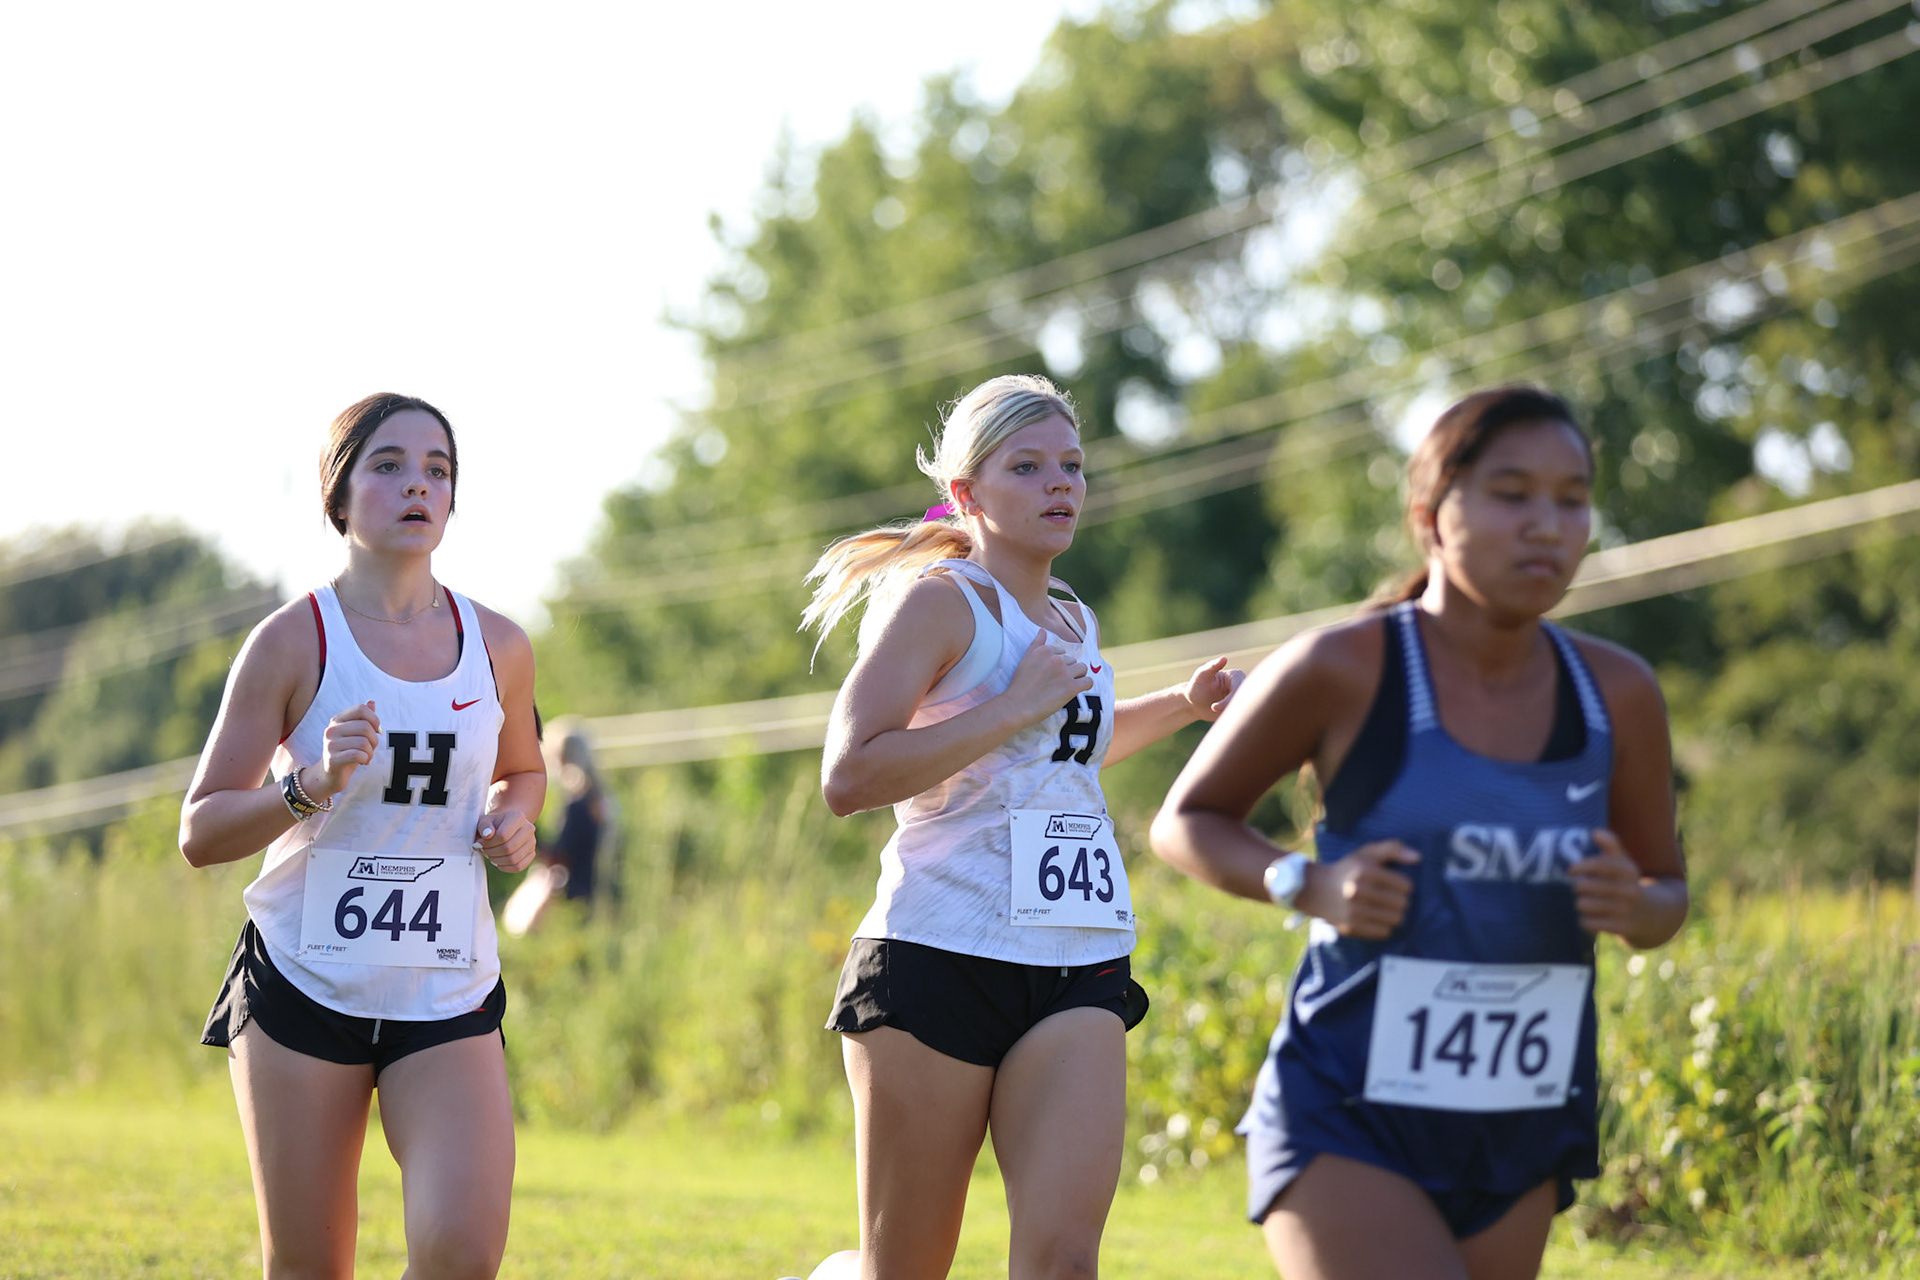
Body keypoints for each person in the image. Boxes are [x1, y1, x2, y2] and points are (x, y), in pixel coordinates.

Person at [1149, 385, 1688, 1280]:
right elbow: (1186, 822)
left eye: (1572, 497)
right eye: (1513, 494)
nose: (1549, 525)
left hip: (1522, 1114)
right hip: (1346, 1108)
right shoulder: (1343, 668)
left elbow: (1667, 895)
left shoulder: (1619, 692)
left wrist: (1633, 907)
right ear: (1431, 518)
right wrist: (1306, 885)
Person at [799, 373, 1242, 1280]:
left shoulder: (1073, 615)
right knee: (906, 1269)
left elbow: (1067, 749)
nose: (1061, 485)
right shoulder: (941, 603)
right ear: (967, 494)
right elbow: (849, 776)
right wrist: (1009, 707)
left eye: (1072, 466)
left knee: (1062, 1262)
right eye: (1029, 466)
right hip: (937, 957)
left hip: (1076, 954)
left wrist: (1184, 705)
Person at [180, 393, 542, 1279]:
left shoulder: (498, 641)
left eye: (437, 469)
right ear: (339, 495)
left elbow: (522, 768)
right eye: (388, 465)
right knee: (310, 1267)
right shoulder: (291, 640)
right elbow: (201, 829)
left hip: (446, 987)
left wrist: (516, 819)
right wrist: (304, 787)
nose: (417, 485)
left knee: (462, 1252)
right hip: (304, 981)